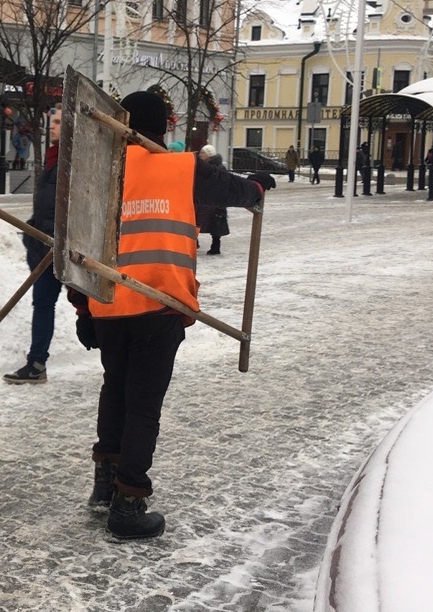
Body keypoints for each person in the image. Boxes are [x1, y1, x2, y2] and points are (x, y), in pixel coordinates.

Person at [71, 91, 273, 540]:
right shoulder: (183, 167)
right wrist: (257, 186)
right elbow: (234, 190)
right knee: (143, 404)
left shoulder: (102, 171)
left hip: (108, 304)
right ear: (165, 126)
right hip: (159, 305)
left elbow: (76, 245)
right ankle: (128, 502)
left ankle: (105, 483)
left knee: (116, 390)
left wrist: (82, 308)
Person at [4, 111, 63, 385]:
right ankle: (37, 363)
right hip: (45, 247)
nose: (52, 126)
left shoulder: (71, 161)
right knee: (43, 303)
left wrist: (48, 238)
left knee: (92, 307)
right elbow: (47, 207)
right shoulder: (53, 159)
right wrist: (33, 232)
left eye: (59, 122)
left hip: (60, 248)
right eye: (52, 121)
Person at [195, 145, 229, 255]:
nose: (200, 155)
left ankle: (215, 245)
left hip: (215, 199)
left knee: (215, 222)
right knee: (196, 220)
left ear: (209, 155)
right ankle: (193, 242)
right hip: (202, 199)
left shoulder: (218, 168)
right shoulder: (202, 166)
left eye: (203, 153)